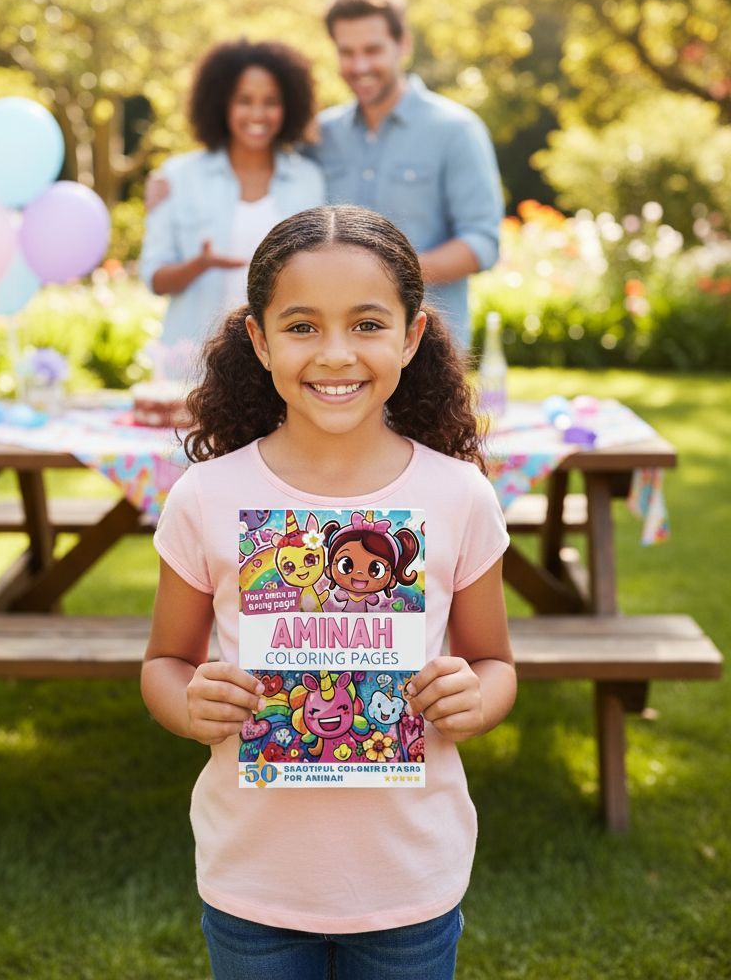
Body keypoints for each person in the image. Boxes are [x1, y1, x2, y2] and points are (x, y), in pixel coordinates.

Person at [141, 204, 516, 980]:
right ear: (260, 338)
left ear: (412, 336)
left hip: (411, 883)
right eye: (303, 326)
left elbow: (494, 663)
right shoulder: (208, 496)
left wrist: (478, 696)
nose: (336, 354)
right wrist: (187, 703)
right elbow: (163, 664)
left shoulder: (459, 497)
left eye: (368, 324)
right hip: (255, 884)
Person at [310, 0, 504, 347]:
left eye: (372, 50)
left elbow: (482, 243)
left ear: (403, 45)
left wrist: (387, 275)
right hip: (336, 352)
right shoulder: (321, 135)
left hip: (429, 351)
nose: (359, 65)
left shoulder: (456, 130)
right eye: (346, 52)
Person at [139, 39, 325, 344]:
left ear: (289, 107)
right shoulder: (178, 177)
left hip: (280, 359)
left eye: (271, 102)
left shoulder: (309, 179)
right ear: (222, 104)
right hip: (193, 358)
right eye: (244, 100)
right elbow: (154, 279)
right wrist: (200, 264)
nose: (257, 114)